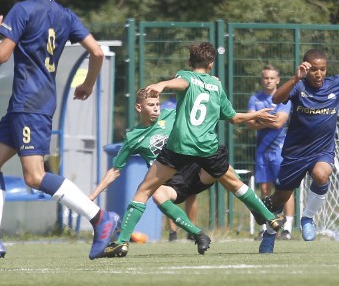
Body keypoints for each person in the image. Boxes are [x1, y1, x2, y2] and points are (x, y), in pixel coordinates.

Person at [0, 0, 119, 271]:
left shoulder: (22, 10)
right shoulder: (65, 14)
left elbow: (1, 54)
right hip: (28, 105)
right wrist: (88, 84)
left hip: (29, 104)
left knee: (34, 176)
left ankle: (100, 218)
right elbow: (98, 53)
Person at [101, 42, 286, 255]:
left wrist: (162, 85)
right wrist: (255, 114)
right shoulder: (217, 87)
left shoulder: (187, 76)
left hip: (180, 146)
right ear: (211, 64)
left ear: (190, 63)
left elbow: (180, 82)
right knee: (236, 184)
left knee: (144, 190)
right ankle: (271, 218)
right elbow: (233, 118)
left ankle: (122, 241)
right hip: (207, 147)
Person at [89, 89, 275, 256]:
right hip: (172, 182)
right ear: (138, 107)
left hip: (194, 168)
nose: (156, 108)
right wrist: (92, 196)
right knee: (157, 193)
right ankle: (198, 234)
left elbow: (204, 114)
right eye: (150, 105)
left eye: (157, 104)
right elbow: (115, 170)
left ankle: (263, 212)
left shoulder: (172, 115)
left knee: (223, 170)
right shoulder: (133, 137)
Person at [259, 49, 339, 253]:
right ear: (306, 69)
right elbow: (276, 100)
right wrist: (294, 78)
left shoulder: (335, 84)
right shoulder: (298, 86)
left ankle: (308, 218)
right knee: (278, 200)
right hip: (295, 153)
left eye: (323, 69)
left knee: (321, 174)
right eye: (314, 70)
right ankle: (269, 234)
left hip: (322, 151)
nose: (319, 74)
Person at [246, 64, 294, 240]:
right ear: (262, 79)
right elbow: (249, 123)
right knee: (265, 189)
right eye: (266, 78)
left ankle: (288, 228)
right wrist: (263, 119)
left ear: (278, 80)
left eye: (272, 78)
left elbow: (278, 123)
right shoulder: (255, 98)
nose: (268, 81)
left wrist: (259, 118)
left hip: (280, 151)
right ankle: (269, 227)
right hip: (261, 151)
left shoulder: (283, 98)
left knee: (285, 188)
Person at [158, 93, 198, 242]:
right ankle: (173, 231)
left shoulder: (193, 103)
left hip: (189, 150)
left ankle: (192, 230)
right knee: (167, 190)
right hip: (171, 152)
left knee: (192, 191)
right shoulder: (165, 106)